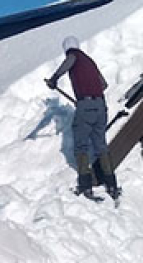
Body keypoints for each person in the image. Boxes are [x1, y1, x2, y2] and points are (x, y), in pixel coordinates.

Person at [45, 36, 120, 200]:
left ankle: (85, 186)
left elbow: (70, 60)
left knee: (81, 145)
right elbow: (104, 85)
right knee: (101, 145)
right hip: (101, 106)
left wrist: (54, 78)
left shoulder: (74, 56)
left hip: (85, 106)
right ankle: (112, 185)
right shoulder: (89, 60)